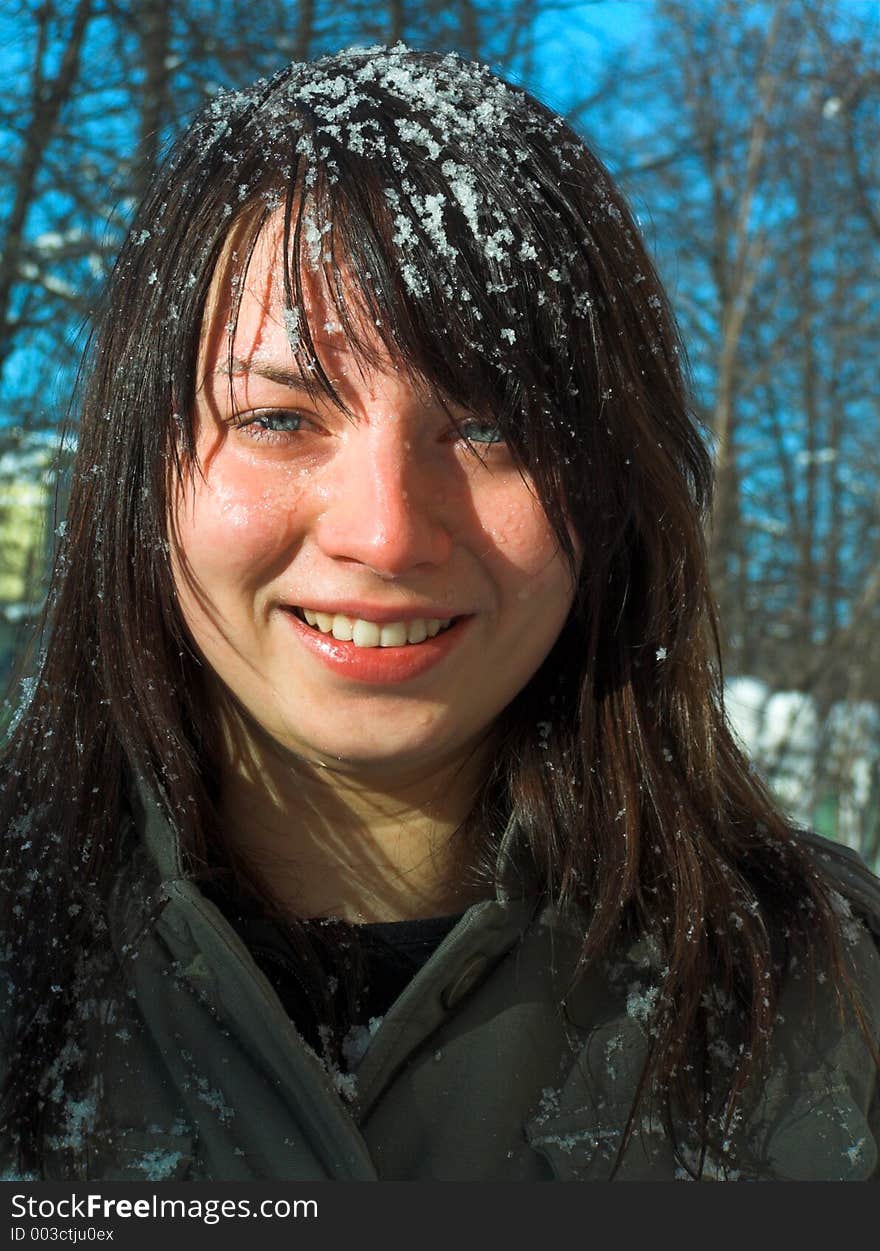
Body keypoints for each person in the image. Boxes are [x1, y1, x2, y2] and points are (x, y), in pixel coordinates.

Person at [1, 44, 878, 1183]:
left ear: (610, 488)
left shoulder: (828, 1001)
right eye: (277, 418)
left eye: (491, 426)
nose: (389, 532)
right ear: (143, 469)